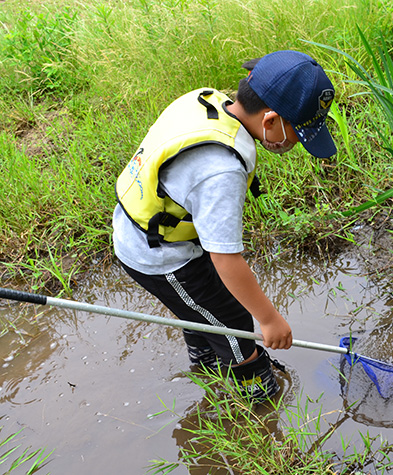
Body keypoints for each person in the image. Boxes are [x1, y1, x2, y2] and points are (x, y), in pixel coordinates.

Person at [112, 50, 336, 401]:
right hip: (159, 257)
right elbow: (226, 259)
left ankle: (206, 360)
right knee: (233, 323)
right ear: (271, 120)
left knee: (204, 307)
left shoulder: (207, 102)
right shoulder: (221, 170)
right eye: (298, 134)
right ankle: (259, 400)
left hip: (158, 232)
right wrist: (270, 319)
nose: (295, 144)